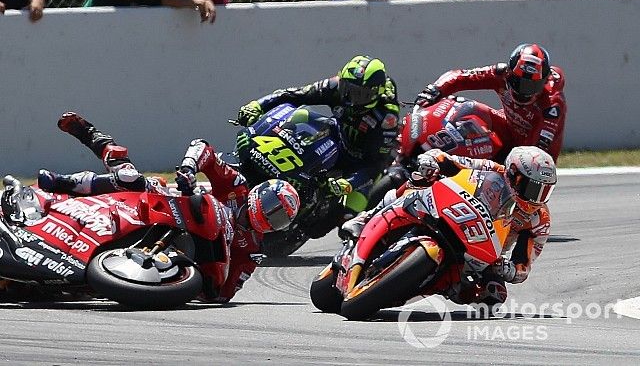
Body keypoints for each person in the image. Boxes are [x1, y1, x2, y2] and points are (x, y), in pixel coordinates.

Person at [37, 112, 300, 303]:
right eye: (273, 209)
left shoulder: (253, 247)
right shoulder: (237, 187)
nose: (270, 219)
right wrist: (188, 168)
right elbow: (204, 149)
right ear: (260, 195)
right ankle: (65, 179)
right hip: (172, 206)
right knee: (130, 176)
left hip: (183, 254)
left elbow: (227, 291)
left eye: (280, 221)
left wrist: (212, 288)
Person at [342, 145, 557, 307]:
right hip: (452, 213)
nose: (537, 198)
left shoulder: (540, 220)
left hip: (483, 250)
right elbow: (450, 160)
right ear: (513, 175)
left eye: (545, 192)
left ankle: (434, 285)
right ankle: (367, 217)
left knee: (494, 297)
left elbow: (524, 265)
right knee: (419, 178)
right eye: (533, 189)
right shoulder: (492, 169)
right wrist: (432, 160)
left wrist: (509, 270)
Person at [235, 55, 401, 209]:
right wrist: (257, 105)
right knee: (301, 116)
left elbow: (376, 164)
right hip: (337, 137)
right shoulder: (335, 86)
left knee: (348, 211)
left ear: (375, 94)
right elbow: (294, 95)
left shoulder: (386, 118)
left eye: (359, 95)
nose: (350, 98)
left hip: (361, 158)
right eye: (347, 89)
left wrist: (348, 183)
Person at [415, 43, 567, 161]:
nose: (524, 91)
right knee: (469, 108)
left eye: (532, 85)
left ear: (544, 80)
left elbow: (538, 148)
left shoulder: (552, 103)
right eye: (518, 82)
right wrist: (434, 90)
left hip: (534, 154)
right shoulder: (501, 74)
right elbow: (462, 76)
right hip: (508, 129)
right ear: (509, 72)